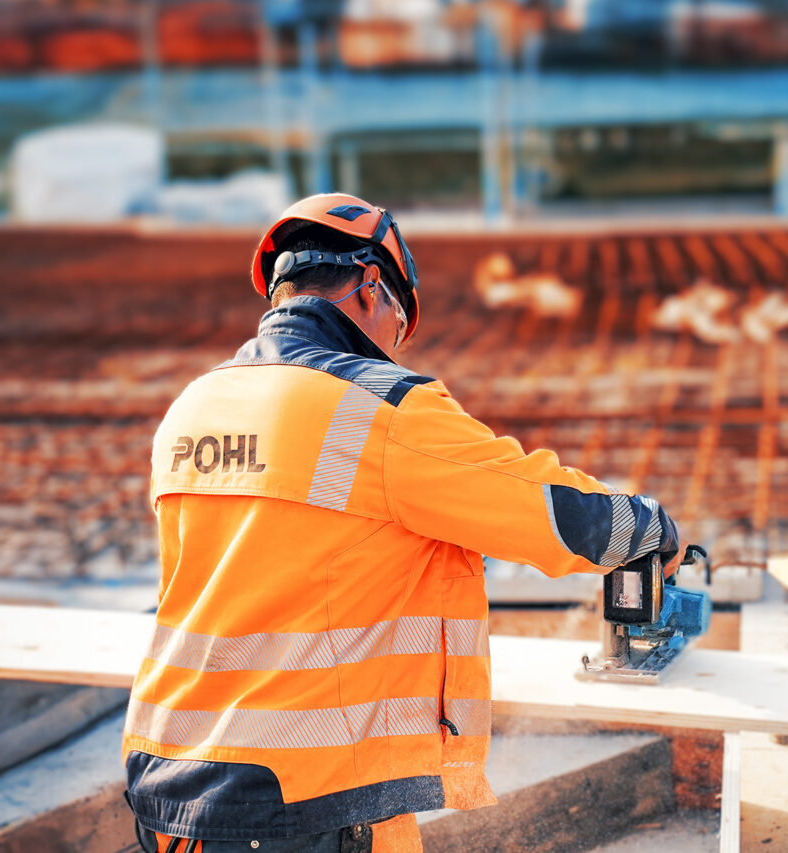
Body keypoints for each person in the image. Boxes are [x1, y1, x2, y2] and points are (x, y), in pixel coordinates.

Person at [124, 193, 688, 853]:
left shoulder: (192, 408)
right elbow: (546, 510)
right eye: (400, 319)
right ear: (371, 287)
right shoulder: (379, 408)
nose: (396, 342)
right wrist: (652, 529)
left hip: (166, 782)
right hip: (301, 798)